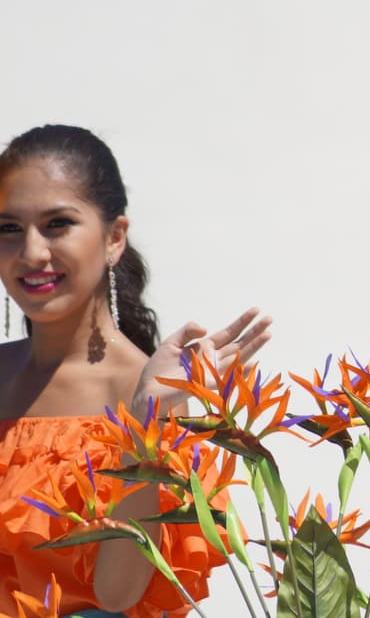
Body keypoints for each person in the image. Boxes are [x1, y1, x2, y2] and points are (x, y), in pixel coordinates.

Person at [0, 124, 272, 618]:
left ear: (114, 238)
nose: (32, 252)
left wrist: (145, 424)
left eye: (57, 224)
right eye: (9, 228)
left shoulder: (150, 393)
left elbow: (118, 593)